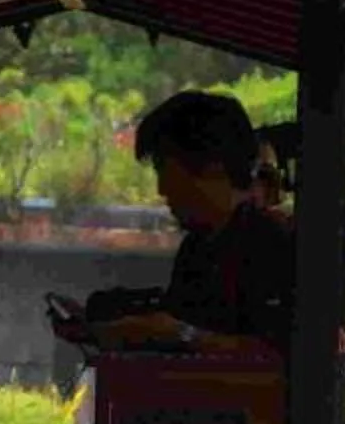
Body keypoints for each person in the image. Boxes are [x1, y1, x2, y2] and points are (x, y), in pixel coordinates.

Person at [67, 91, 293, 360]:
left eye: (164, 169)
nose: (161, 189)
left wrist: (181, 335)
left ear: (211, 167)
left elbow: (283, 355)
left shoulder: (273, 245)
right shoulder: (196, 248)